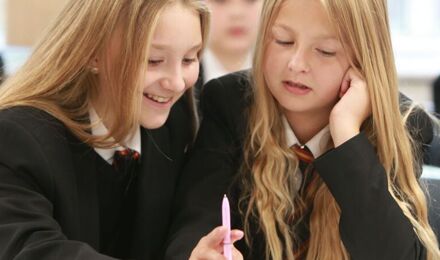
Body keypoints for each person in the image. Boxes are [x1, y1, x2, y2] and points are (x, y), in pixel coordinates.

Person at [165, 0, 440, 259]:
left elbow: (392, 254)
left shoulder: (402, 123)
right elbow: (193, 224)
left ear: (364, 59)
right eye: (283, 40)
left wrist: (346, 132)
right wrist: (199, 252)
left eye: (325, 51)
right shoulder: (230, 104)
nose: (296, 64)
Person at [0, 0, 209, 259]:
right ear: (92, 53)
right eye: (153, 60)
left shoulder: (171, 120)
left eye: (189, 59)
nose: (177, 83)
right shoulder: (17, 137)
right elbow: (32, 250)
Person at [193, 0, 262, 115]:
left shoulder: (281, 77)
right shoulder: (180, 83)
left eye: (250, 0)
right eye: (221, 1)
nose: (237, 13)